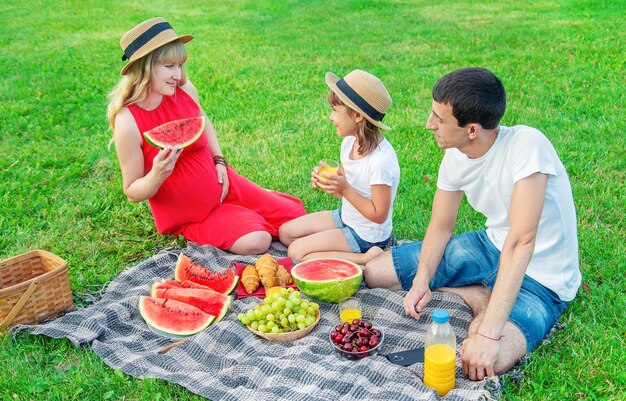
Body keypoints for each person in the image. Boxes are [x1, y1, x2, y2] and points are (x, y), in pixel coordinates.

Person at [365, 67, 581, 380]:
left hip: (542, 279)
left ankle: (486, 305)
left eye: (439, 119)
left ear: (472, 130)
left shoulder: (528, 146)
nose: (429, 125)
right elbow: (440, 226)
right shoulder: (455, 154)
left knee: (486, 361)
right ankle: (478, 294)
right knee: (375, 272)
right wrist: (422, 279)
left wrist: (489, 335)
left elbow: (522, 241)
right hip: (490, 246)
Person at [107, 17, 306, 255]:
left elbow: (203, 122)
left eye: (179, 65)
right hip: (192, 216)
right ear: (145, 67)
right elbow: (132, 191)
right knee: (257, 240)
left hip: (223, 183)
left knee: (295, 217)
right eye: (169, 66)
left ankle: (243, 211)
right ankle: (240, 219)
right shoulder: (127, 121)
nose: (177, 74)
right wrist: (157, 176)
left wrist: (219, 161)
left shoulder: (183, 89)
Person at [279, 70, 400, 265]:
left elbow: (379, 215)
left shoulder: (380, 162)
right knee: (285, 233)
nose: (330, 116)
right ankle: (336, 245)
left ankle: (364, 258)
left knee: (295, 252)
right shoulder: (349, 143)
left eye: (335, 110)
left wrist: (344, 188)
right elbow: (346, 192)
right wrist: (329, 183)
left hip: (367, 235)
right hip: (347, 216)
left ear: (358, 116)